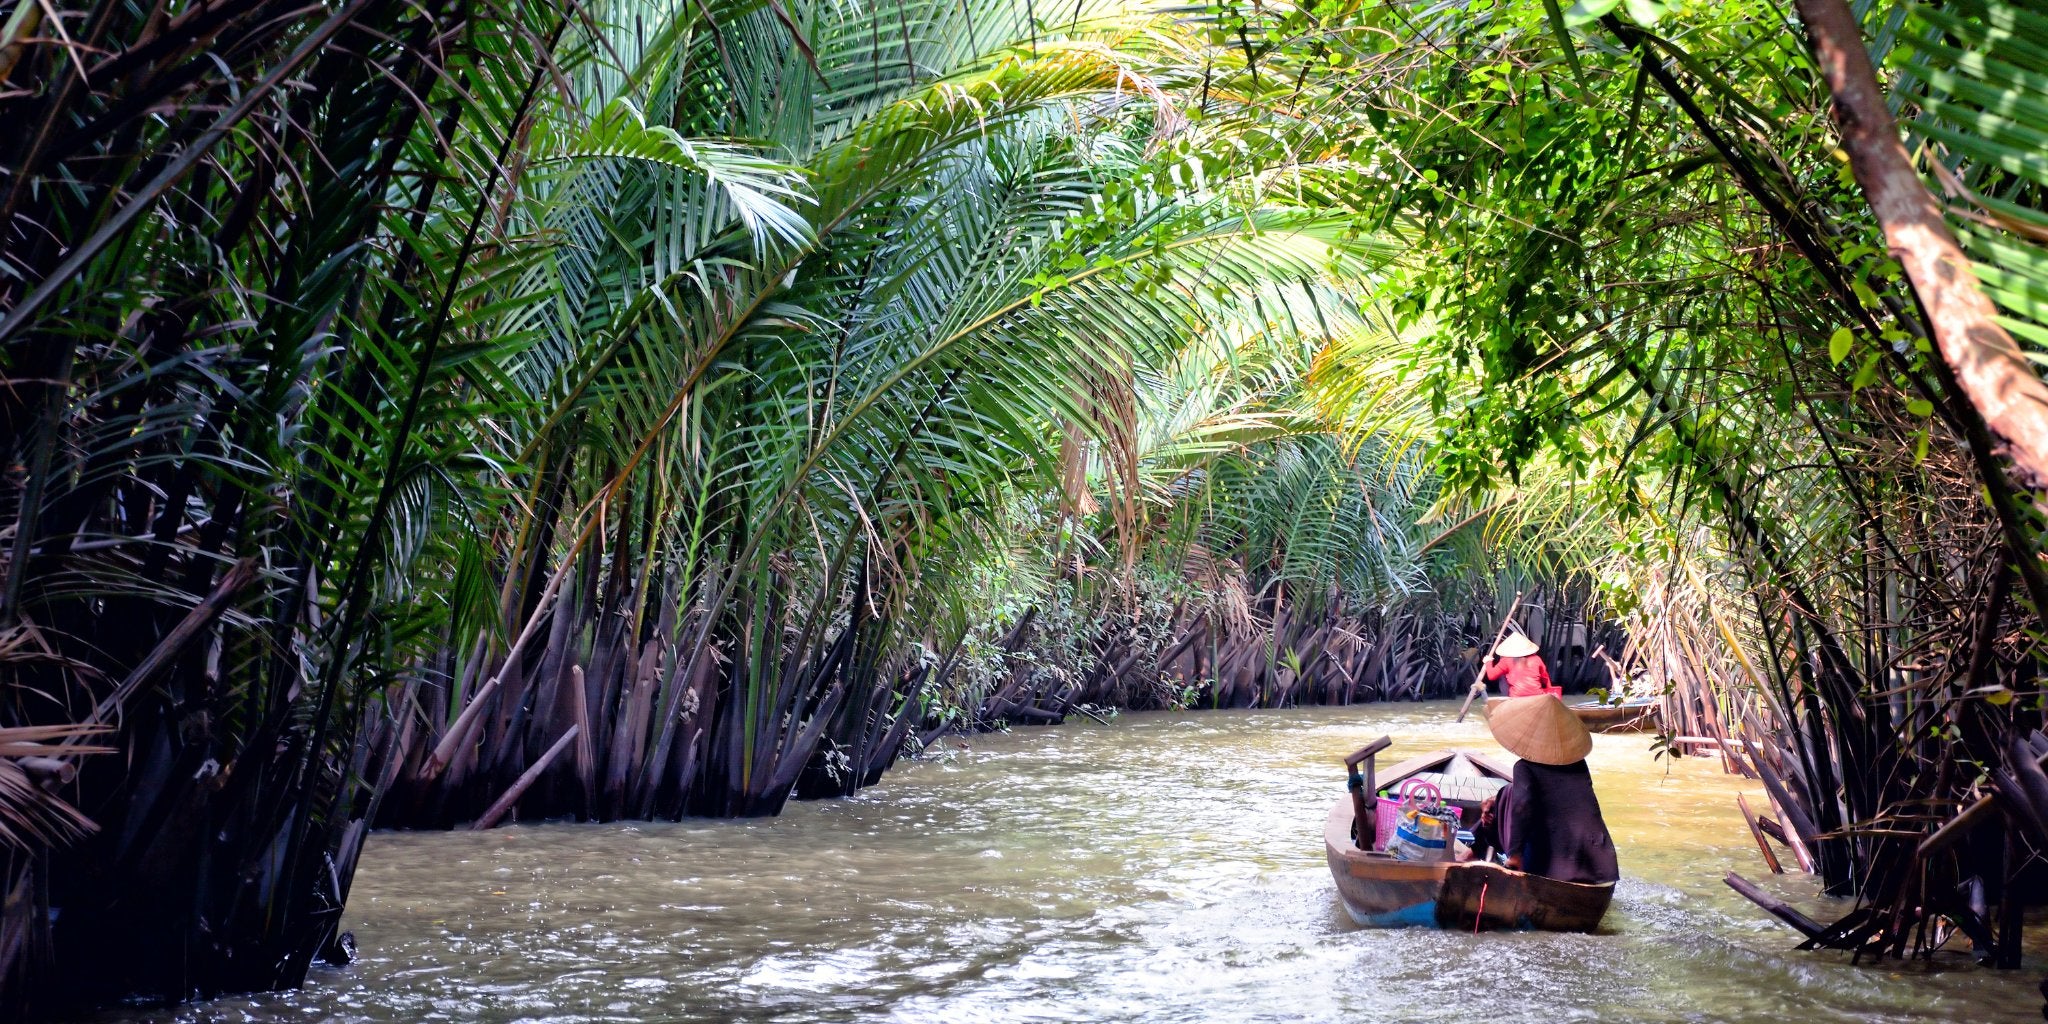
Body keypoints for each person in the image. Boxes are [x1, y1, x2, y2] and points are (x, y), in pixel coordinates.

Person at [1485, 695, 1619, 885]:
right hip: (1597, 863)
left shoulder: (1524, 767)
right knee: (1503, 794)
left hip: (1556, 867)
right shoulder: (1578, 764)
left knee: (1504, 797)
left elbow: (1522, 807)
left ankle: (1475, 849)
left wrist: (1515, 855)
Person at [1484, 630, 1561, 698]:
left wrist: (1488, 662)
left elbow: (1491, 676)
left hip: (1516, 697)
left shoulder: (1506, 660)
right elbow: (1545, 678)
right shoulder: (1537, 659)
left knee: (1503, 678)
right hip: (1537, 696)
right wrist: (1550, 689)